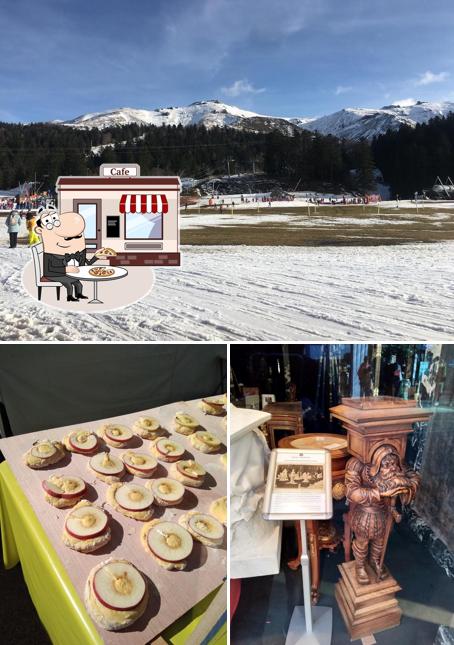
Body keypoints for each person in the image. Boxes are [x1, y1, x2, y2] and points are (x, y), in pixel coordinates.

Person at [35, 207, 105, 302]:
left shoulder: (76, 252)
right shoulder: (50, 254)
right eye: (67, 238)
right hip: (52, 274)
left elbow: (87, 263)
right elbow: (49, 269)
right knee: (68, 283)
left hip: (66, 273)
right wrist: (65, 269)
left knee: (78, 283)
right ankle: (69, 297)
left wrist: (96, 256)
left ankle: (79, 294)